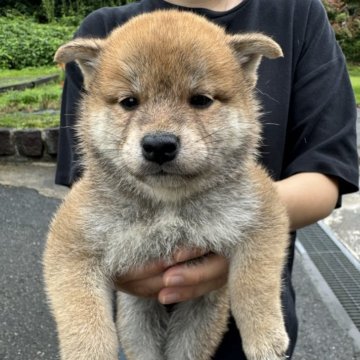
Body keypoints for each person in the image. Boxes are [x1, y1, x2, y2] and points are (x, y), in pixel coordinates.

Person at [55, 0, 359, 358]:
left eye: (200, 100)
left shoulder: (298, 13)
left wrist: (249, 292)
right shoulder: (104, 26)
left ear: (247, 69)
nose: (159, 134)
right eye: (129, 102)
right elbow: (71, 249)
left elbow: (310, 186)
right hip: (130, 318)